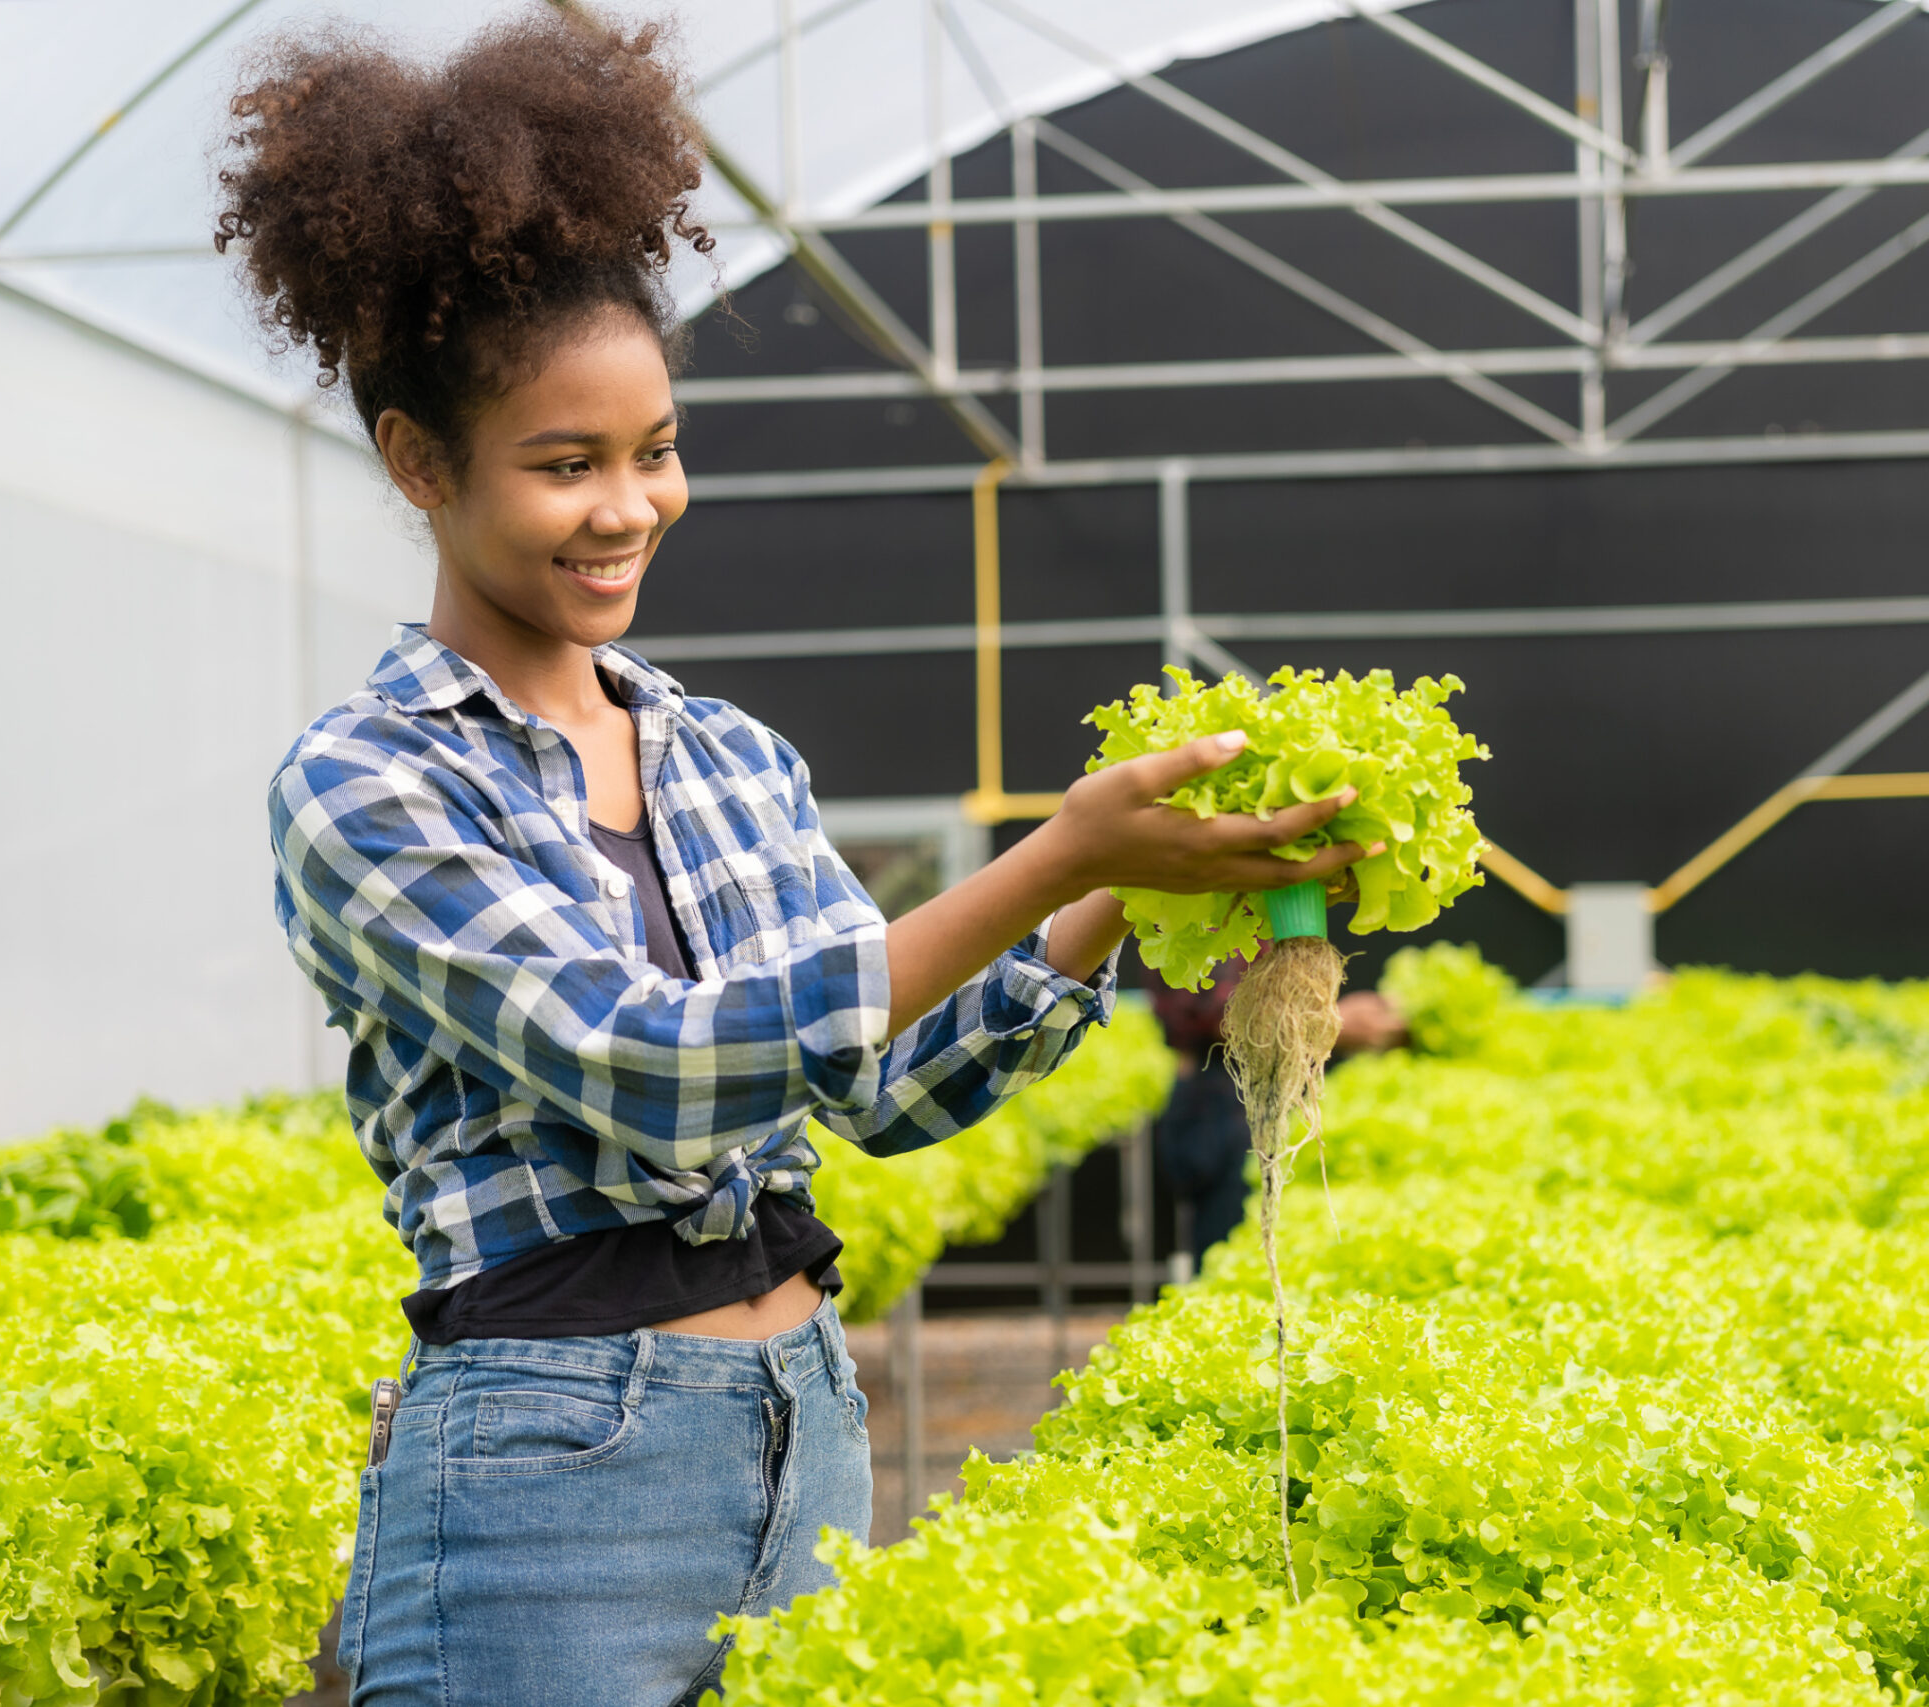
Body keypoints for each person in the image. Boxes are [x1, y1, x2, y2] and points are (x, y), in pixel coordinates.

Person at [218, 16, 1374, 1703]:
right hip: (550, 1484)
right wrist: (1053, 851)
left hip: (808, 1436)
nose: (629, 505)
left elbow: (888, 1087)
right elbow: (658, 1068)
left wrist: (1130, 880)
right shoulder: (369, 784)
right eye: (565, 464)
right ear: (419, 462)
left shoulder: (727, 754)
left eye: (656, 447)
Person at [1145, 960, 1406, 1262]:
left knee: (1284, 1244)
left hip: (1273, 1091)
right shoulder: (1195, 919)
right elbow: (1219, 1012)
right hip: (1226, 1092)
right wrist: (1333, 1022)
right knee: (1237, 1249)